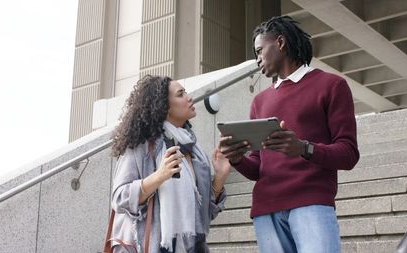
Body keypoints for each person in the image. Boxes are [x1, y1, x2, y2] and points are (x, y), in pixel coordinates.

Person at [219, 16, 359, 253]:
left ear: (280, 43)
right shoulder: (259, 101)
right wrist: (236, 159)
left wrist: (304, 148)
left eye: (260, 51)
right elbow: (257, 167)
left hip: (311, 203)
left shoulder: (332, 85)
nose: (257, 60)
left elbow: (348, 154)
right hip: (266, 210)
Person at [109, 75, 230, 253]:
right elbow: (119, 198)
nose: (189, 97)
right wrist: (159, 176)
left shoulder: (193, 149)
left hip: (192, 247)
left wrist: (219, 177)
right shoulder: (141, 146)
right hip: (152, 246)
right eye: (180, 94)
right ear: (164, 107)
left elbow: (203, 216)